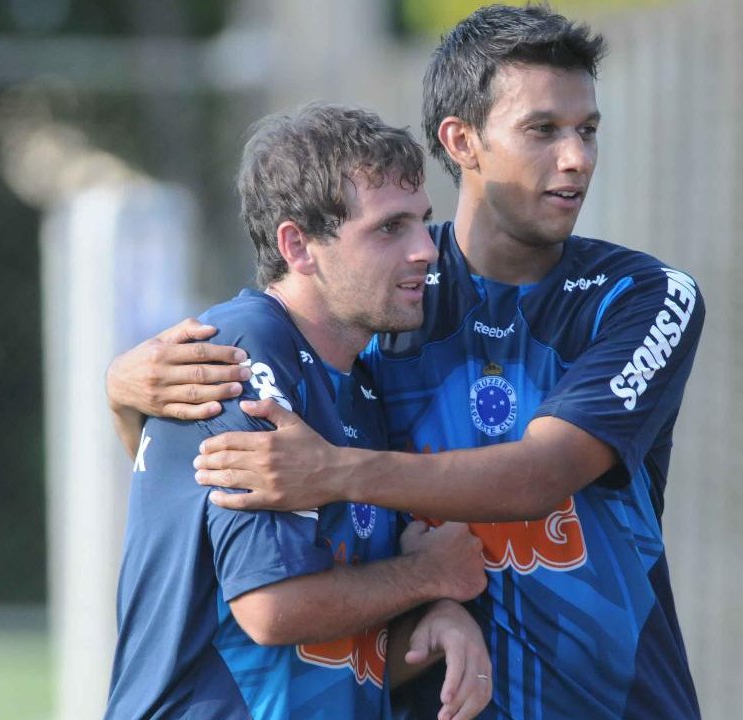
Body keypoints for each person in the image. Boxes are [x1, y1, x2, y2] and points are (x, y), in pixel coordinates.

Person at [108, 5, 706, 718]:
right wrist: (123, 394)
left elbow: (543, 475)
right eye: (543, 130)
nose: (576, 157)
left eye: (587, 130)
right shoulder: (377, 304)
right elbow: (219, 503)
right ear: (463, 141)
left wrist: (340, 477)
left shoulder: (640, 297)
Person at [104, 103, 493, 720]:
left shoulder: (358, 387)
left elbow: (331, 652)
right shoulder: (241, 353)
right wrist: (429, 577)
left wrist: (436, 626)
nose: (426, 249)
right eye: (390, 228)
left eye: (423, 222)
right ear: (298, 246)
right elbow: (271, 609)